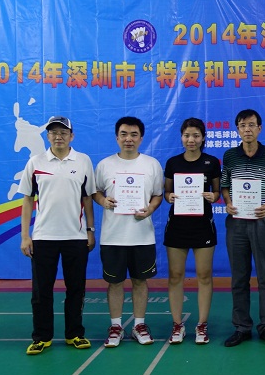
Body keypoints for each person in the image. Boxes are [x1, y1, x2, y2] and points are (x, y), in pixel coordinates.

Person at [18, 116, 96, 355]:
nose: (58, 136)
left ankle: (75, 334)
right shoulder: (35, 162)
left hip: (76, 237)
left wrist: (90, 231)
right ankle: (42, 337)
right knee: (41, 291)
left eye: (63, 132)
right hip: (43, 237)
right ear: (47, 136)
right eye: (53, 132)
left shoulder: (83, 161)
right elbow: (27, 200)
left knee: (76, 289)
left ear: (72, 136)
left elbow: (87, 199)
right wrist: (25, 236)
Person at [93, 116, 164, 347]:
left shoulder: (152, 164)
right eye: (124, 134)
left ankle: (139, 325)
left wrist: (150, 209)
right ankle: (116, 326)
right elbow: (96, 192)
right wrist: (103, 201)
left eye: (134, 134)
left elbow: (158, 195)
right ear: (117, 137)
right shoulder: (104, 165)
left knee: (140, 281)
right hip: (112, 236)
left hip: (142, 236)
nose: (128, 139)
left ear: (141, 138)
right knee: (114, 283)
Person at [221, 109, 265, 347]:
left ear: (260, 128)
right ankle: (242, 326)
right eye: (242, 125)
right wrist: (228, 202)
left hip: (263, 221)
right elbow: (225, 186)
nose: (247, 129)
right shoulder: (230, 156)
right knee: (239, 276)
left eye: (251, 125)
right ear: (237, 129)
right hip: (237, 222)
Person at [163, 118, 221, 345]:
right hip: (177, 227)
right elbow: (167, 192)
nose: (191, 140)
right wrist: (169, 196)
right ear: (181, 137)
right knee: (175, 276)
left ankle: (202, 325)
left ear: (203, 137)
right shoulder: (173, 163)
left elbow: (217, 192)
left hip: (203, 226)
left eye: (196, 135)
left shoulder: (211, 162)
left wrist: (213, 196)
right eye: (187, 135)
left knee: (204, 276)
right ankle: (177, 324)